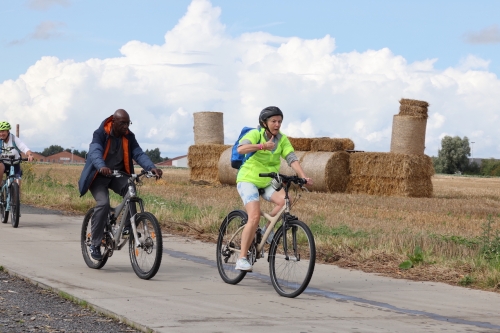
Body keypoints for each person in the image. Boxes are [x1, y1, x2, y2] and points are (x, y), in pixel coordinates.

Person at [78, 109, 163, 261]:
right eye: (123, 123)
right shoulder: (100, 133)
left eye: (128, 123)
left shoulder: (129, 136)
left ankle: (128, 226)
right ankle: (95, 244)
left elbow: (138, 153)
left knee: (130, 189)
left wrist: (151, 167)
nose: (126, 127)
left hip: (118, 175)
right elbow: (95, 151)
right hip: (98, 175)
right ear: (114, 122)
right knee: (103, 204)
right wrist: (101, 166)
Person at [234, 106, 313, 271]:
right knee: (254, 216)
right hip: (248, 179)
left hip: (267, 181)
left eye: (280, 121)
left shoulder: (282, 140)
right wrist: (262, 146)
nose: (277, 124)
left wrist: (303, 176)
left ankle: (265, 231)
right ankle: (241, 258)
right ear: (264, 122)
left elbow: (291, 158)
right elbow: (241, 149)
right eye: (273, 121)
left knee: (286, 201)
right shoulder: (255, 134)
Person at [0, 121, 34, 190]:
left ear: (8, 131)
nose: (1, 134)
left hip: (15, 164)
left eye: (3, 131)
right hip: (3, 163)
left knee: (17, 186)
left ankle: (16, 200)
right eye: (0, 132)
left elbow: (24, 148)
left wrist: (30, 155)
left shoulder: (14, 139)